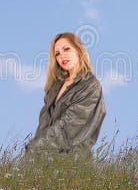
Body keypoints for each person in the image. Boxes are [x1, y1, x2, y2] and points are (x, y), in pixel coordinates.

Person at [24, 32, 106, 160]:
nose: (62, 55)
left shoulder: (90, 85)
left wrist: (36, 146)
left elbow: (70, 125)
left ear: (79, 50)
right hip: (44, 161)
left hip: (73, 163)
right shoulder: (54, 87)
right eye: (57, 53)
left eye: (66, 49)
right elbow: (43, 126)